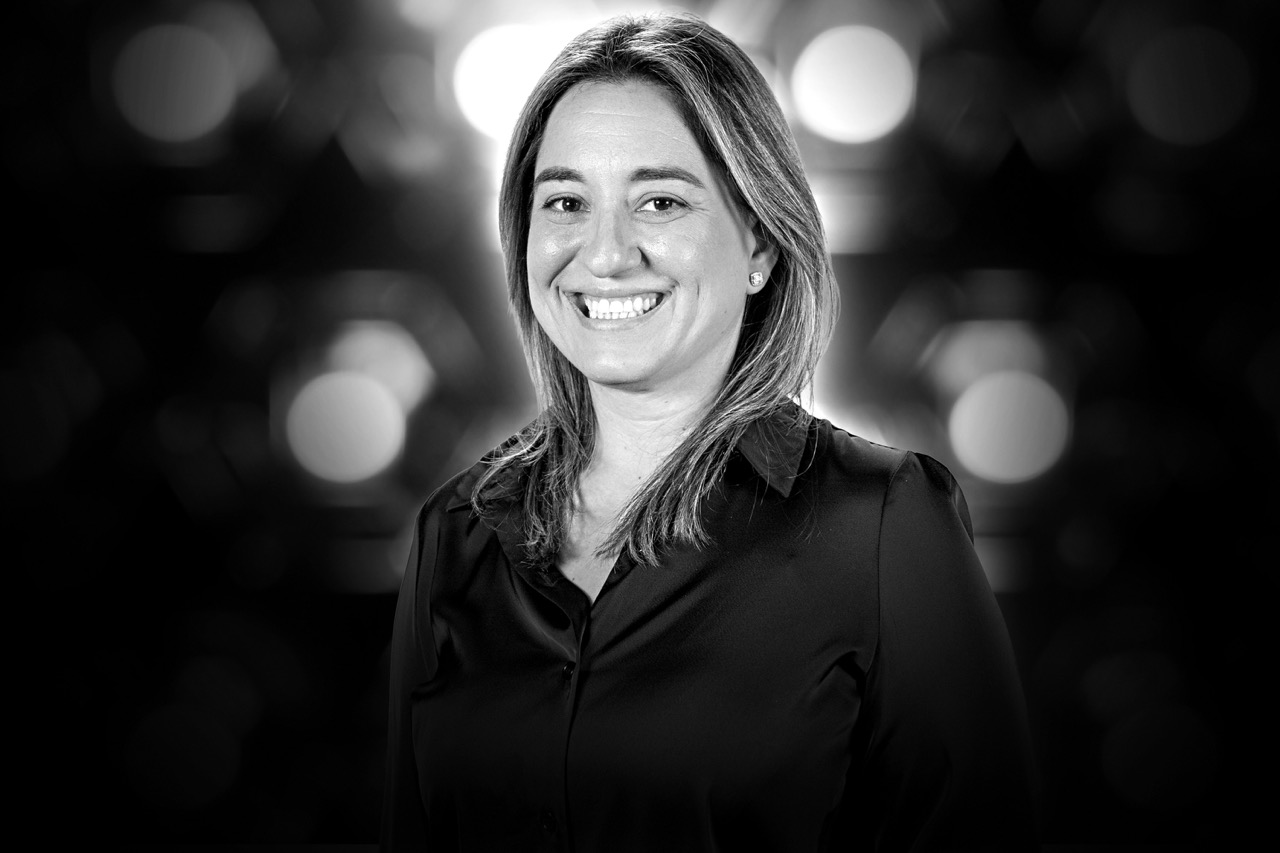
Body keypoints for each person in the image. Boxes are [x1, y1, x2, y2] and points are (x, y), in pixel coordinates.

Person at [382, 11, 1039, 852]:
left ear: (760, 242)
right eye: (567, 202)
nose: (606, 255)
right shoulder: (455, 532)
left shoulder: (886, 527)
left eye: (659, 201)